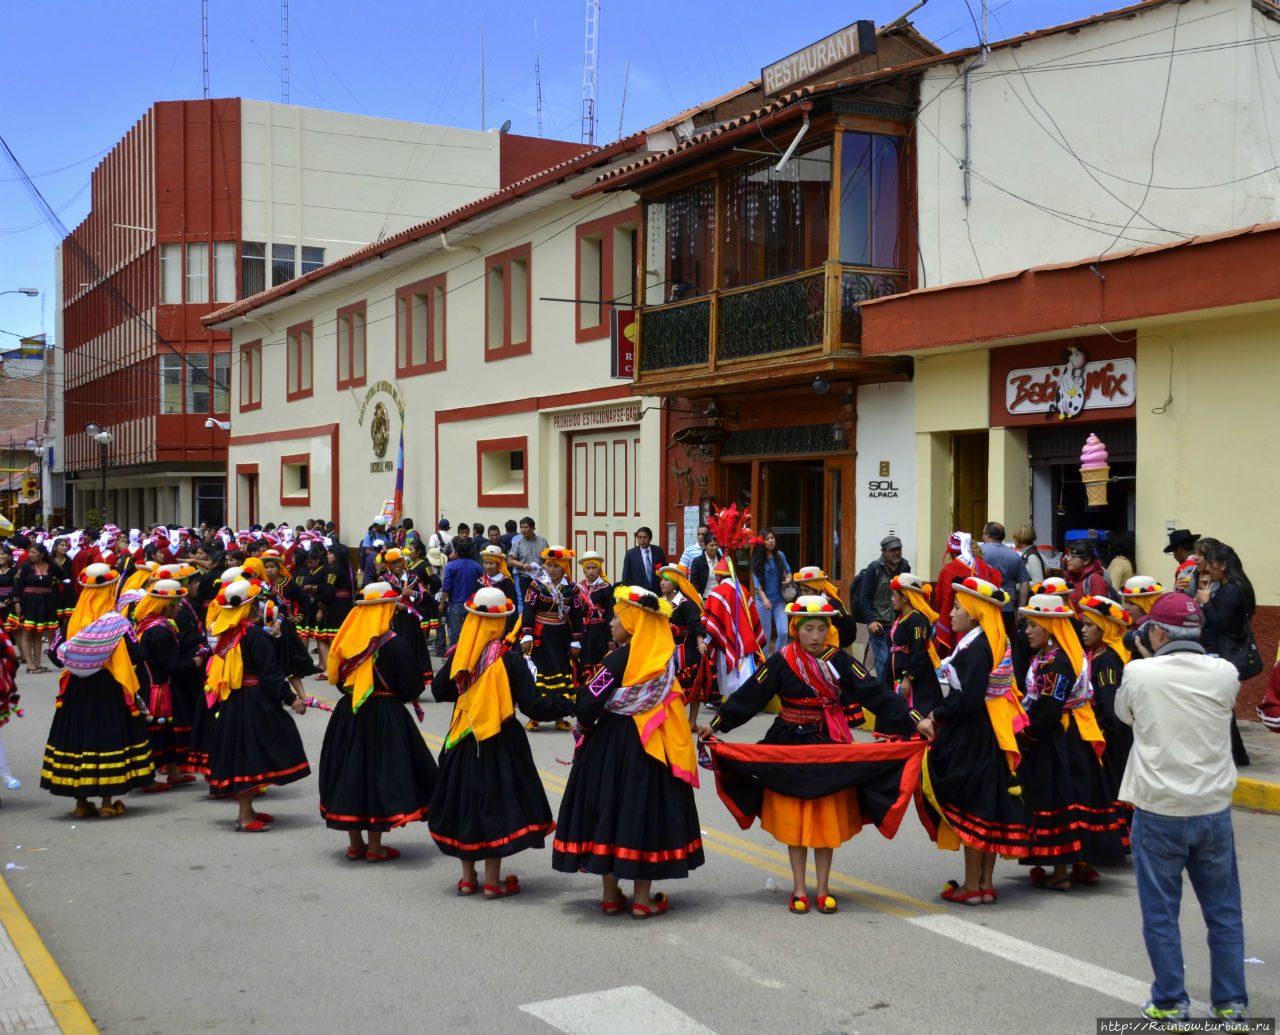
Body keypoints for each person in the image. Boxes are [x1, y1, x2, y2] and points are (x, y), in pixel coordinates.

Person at [700, 597, 917, 914]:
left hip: (828, 743)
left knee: (825, 818)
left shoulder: (839, 661)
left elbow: (874, 692)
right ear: (795, 630)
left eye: (820, 629)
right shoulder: (782, 661)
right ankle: (799, 888)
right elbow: (750, 695)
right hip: (788, 744)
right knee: (795, 818)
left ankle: (824, 888)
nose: (815, 636)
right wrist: (717, 723)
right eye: (808, 629)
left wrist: (914, 720)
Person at [1115, 592, 1249, 1028]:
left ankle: (1171, 1003)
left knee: (1161, 913)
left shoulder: (1140, 672)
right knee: (1224, 913)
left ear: (1157, 632)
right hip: (1212, 809)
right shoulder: (1224, 672)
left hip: (1159, 809)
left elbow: (1125, 714)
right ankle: (1230, 1005)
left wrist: (1144, 660)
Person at [552, 585, 704, 917]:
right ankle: (641, 900)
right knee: (643, 815)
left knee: (610, 811)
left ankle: (610, 895)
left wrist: (585, 724)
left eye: (617, 618)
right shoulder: (664, 663)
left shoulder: (617, 660)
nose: (610, 623)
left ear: (634, 623)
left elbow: (588, 702)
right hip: (652, 750)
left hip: (612, 745)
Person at [429, 587, 567, 896]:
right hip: (501, 740)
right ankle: (492, 881)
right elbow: (533, 705)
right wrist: (566, 704)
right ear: (500, 622)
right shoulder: (510, 660)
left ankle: (467, 879)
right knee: (496, 806)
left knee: (466, 804)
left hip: (463, 738)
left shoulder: (460, 656)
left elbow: (439, 690)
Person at [914, 577, 1031, 904]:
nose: (950, 613)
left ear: (975, 612)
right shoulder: (991, 641)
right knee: (988, 807)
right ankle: (985, 884)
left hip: (974, 735)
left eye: (956, 607)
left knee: (973, 807)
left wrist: (935, 715)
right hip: (992, 730)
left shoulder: (976, 649)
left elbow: (967, 699)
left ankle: (970, 886)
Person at [319, 581, 438, 862]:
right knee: (379, 774)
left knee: (351, 773)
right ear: (386, 609)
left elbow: (338, 679)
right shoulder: (394, 644)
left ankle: (355, 844)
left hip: (349, 713)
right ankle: (375, 847)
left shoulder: (348, 638)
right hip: (384, 714)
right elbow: (412, 686)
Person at [1018, 594, 1127, 891]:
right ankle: (1083, 865)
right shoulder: (1055, 657)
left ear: (1051, 628)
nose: (1027, 631)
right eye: (1027, 625)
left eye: (1033, 625)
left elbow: (1049, 708)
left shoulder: (1058, 663)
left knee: (1061, 797)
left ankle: (1061, 872)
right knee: (1080, 795)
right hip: (1071, 734)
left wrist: (1027, 734)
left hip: (1060, 738)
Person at [204, 579, 311, 832]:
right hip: (254, 702)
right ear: (250, 608)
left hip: (235, 700)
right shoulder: (252, 635)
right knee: (250, 756)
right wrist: (292, 699)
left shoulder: (228, 633)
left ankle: (249, 809)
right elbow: (270, 673)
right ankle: (244, 817)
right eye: (256, 603)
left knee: (248, 754)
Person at [1197, 543, 1255, 768]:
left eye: (1211, 565)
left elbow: (1220, 622)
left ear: (1223, 565)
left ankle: (1237, 754)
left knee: (1220, 706)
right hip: (1222, 651)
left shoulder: (1232, 589)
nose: (1208, 570)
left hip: (1223, 652)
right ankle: (1236, 754)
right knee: (1221, 706)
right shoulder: (1231, 586)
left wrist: (1206, 603)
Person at [133, 579, 195, 792]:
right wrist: (194, 661)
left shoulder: (150, 624)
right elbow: (172, 665)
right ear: (166, 607)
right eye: (177, 605)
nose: (180, 608)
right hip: (159, 688)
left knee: (167, 731)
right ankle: (147, 779)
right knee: (157, 732)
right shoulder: (159, 631)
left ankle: (173, 772)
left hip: (153, 682)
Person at [519, 547, 580, 731]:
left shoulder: (572, 589)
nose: (552, 569)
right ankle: (535, 717)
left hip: (561, 636)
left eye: (556, 566)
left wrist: (576, 640)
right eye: (549, 565)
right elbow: (528, 609)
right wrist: (527, 634)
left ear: (564, 568)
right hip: (541, 636)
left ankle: (559, 717)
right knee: (540, 675)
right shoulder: (536, 586)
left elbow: (577, 615)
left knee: (561, 673)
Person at [1077, 595, 1134, 791]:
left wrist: (1100, 731)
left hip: (1111, 735)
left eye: (1089, 625)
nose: (1083, 630)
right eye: (1083, 624)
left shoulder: (1106, 659)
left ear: (1105, 628)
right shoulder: (1099, 653)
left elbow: (1108, 702)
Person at [701, 557, 765, 702]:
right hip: (747, 641)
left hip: (726, 643)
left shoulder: (716, 592)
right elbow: (753, 615)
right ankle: (748, 700)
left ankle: (733, 701)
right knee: (746, 673)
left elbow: (710, 622)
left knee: (728, 676)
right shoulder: (743, 589)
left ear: (718, 576)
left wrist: (706, 641)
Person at [932, 532, 1000, 654]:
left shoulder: (948, 571)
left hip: (959, 624)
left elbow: (941, 602)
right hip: (985, 624)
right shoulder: (986, 568)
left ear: (952, 553)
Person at [658, 564, 707, 726]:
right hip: (666, 647)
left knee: (692, 684)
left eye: (666, 580)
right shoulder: (659, 603)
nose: (662, 583)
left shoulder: (685, 603)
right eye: (661, 580)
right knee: (668, 685)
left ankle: (692, 721)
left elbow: (695, 623)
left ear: (675, 583)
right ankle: (672, 721)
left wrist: (700, 642)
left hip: (686, 648)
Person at [888, 574, 942, 720]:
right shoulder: (902, 618)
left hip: (916, 678)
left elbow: (918, 651)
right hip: (899, 673)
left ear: (905, 598)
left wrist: (908, 677)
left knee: (916, 713)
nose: (892, 599)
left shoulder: (918, 620)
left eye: (894, 595)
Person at [381, 548, 433, 683]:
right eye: (393, 563)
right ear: (389, 565)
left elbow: (426, 598)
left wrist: (413, 593)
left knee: (411, 650)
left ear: (403, 562)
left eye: (399, 561)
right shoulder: (384, 580)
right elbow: (379, 599)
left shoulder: (413, 579)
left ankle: (413, 681)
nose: (396, 565)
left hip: (410, 622)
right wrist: (395, 605)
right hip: (391, 621)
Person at [13, 542, 58, 674]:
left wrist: (54, 582)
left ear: (42, 554)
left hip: (45, 601)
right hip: (29, 602)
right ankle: (29, 664)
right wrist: (17, 603)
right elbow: (17, 585)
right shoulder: (26, 566)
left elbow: (64, 576)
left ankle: (38, 664)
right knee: (27, 633)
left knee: (38, 633)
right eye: (30, 552)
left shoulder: (51, 566)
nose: (31, 555)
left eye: (34, 552)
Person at [978, 523, 1031, 634]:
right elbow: (1024, 582)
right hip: (1006, 607)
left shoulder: (978, 553)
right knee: (1006, 640)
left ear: (987, 535)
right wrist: (1021, 607)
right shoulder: (1014, 555)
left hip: (983, 605)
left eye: (983, 533)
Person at [750, 530, 793, 656]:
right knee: (766, 635)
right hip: (763, 601)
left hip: (780, 601)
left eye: (772, 537)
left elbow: (789, 571)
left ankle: (778, 658)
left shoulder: (780, 555)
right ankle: (764, 662)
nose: (771, 541)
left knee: (784, 632)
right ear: (761, 542)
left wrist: (788, 579)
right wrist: (764, 599)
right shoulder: (757, 559)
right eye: (767, 539)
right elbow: (757, 583)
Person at [575, 551, 614, 682]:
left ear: (599, 569)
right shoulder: (577, 588)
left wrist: (610, 638)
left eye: (594, 568)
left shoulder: (606, 588)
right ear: (583, 570)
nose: (591, 571)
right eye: (588, 568)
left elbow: (610, 614)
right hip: (583, 631)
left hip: (600, 631)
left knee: (599, 660)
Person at [441, 549, 482, 648]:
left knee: (455, 633)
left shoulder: (451, 566)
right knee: (472, 632)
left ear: (457, 553)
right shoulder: (477, 566)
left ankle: (454, 653)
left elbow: (446, 587)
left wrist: (442, 603)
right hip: (472, 605)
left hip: (456, 604)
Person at [620, 527, 667, 593]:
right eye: (640, 537)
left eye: (645, 537)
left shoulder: (658, 551)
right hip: (638, 593)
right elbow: (625, 576)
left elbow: (664, 571)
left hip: (657, 592)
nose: (642, 540)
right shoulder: (630, 554)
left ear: (650, 538)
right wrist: (625, 593)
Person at [1063, 542, 1108, 607]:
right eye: (1068, 556)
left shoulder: (1095, 579)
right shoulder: (1068, 579)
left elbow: (1099, 608)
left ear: (1086, 560)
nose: (1068, 559)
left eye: (1073, 556)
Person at [1164, 528, 1200, 598]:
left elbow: (1177, 597)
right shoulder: (1205, 563)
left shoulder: (1183, 570)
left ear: (1180, 549)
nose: (1174, 556)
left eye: (1174, 552)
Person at [687, 535, 720, 599]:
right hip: (704, 598)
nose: (715, 548)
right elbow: (694, 582)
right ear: (705, 546)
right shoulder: (697, 562)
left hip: (720, 597)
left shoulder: (722, 560)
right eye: (712, 545)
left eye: (717, 545)